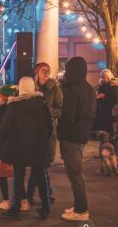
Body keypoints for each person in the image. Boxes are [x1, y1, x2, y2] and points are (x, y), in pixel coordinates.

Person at [0, 77, 53, 220]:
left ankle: (16, 207)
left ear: (20, 88)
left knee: (18, 177)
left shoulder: (15, 106)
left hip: (19, 146)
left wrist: (4, 139)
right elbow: (49, 127)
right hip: (38, 145)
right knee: (41, 175)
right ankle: (46, 207)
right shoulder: (42, 104)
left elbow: (5, 128)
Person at [58, 57, 96, 222]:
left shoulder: (72, 91)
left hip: (71, 137)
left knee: (75, 174)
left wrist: (61, 133)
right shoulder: (89, 88)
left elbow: (68, 118)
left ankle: (81, 209)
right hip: (82, 135)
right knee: (76, 173)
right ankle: (79, 205)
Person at [27, 62, 62, 205]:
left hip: (48, 131)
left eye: (48, 70)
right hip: (33, 131)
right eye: (43, 70)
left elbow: (60, 110)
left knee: (41, 163)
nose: (46, 73)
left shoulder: (54, 88)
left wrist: (47, 110)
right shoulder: (31, 87)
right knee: (39, 164)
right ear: (37, 72)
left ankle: (31, 194)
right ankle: (45, 195)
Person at [95, 69, 118, 135]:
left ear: (108, 77)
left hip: (110, 112)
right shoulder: (104, 84)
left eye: (103, 77)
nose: (102, 79)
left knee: (109, 131)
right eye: (101, 77)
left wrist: (104, 97)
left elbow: (115, 98)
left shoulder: (113, 85)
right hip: (104, 111)